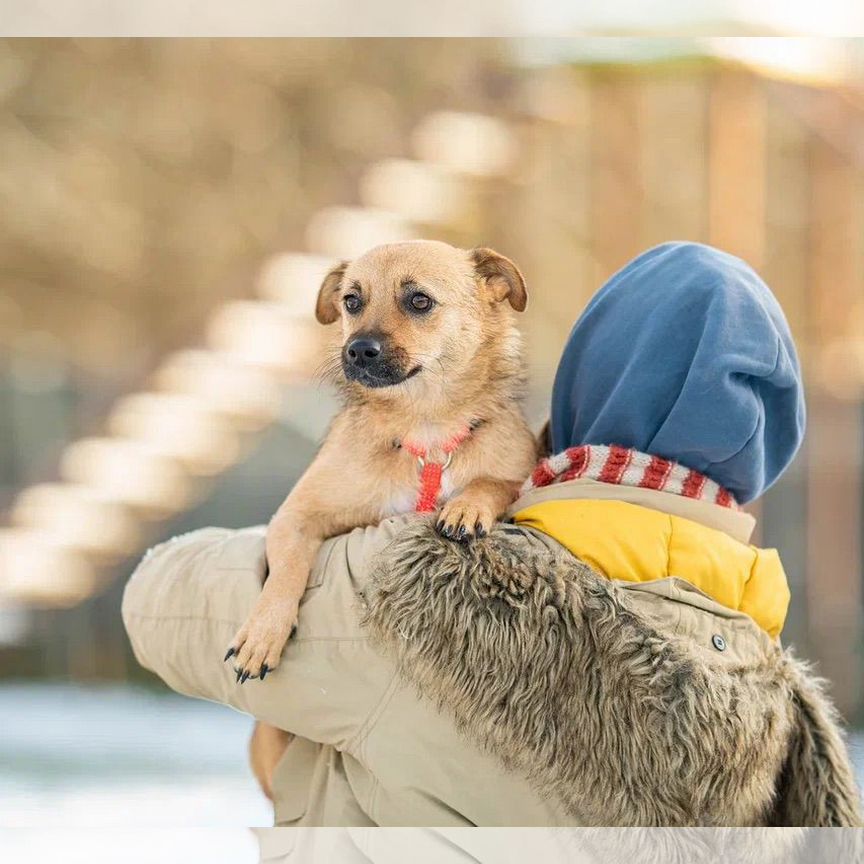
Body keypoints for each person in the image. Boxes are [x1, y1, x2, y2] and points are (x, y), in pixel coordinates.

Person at [123, 243, 862, 835]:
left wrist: (325, 560)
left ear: (578, 398)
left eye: (417, 305)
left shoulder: (433, 591)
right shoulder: (780, 710)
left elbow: (159, 606)